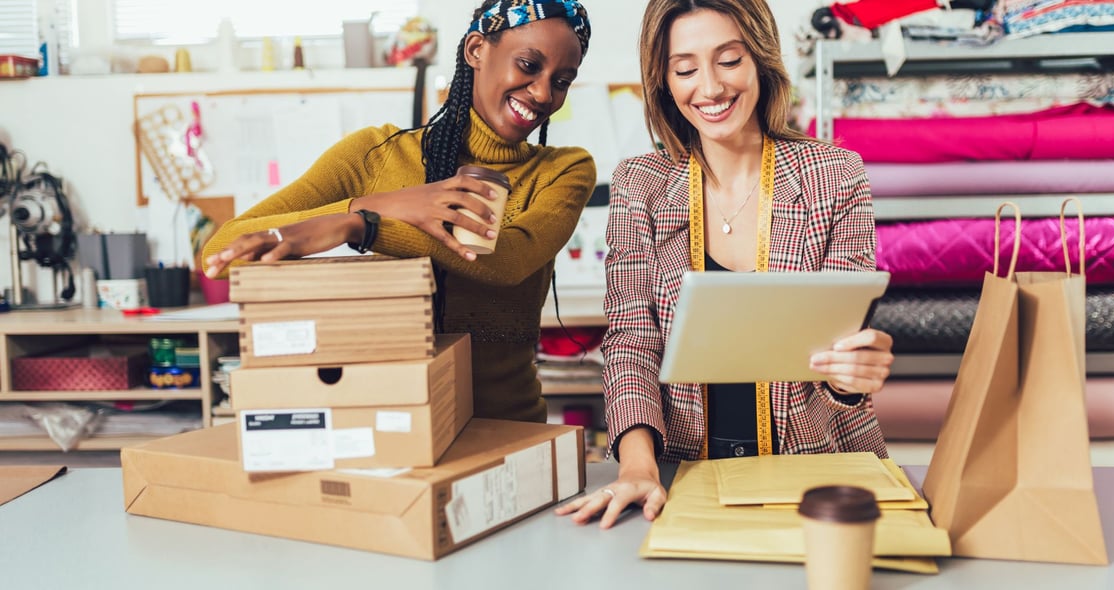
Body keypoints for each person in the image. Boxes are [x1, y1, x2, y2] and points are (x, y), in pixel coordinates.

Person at [556, 0, 893, 528]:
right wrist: (640, 466)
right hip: (680, 470)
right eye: (685, 69)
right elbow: (631, 340)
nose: (709, 88)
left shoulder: (835, 173)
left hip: (817, 469)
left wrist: (851, 374)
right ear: (663, 81)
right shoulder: (638, 184)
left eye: (729, 60)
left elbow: (840, 341)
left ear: (760, 59)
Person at [202, 0, 595, 423]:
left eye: (562, 80)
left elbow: (509, 260)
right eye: (529, 65)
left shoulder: (563, 169)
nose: (543, 92)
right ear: (477, 50)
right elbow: (219, 254)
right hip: (389, 426)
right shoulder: (374, 156)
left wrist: (361, 227)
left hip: (506, 429)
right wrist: (373, 206)